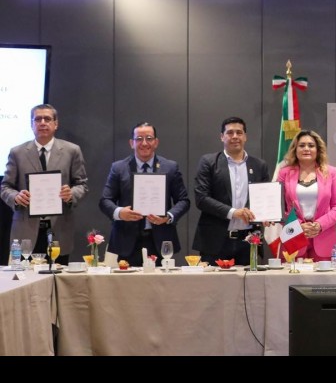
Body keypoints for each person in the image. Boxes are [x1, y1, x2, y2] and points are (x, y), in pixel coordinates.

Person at [0, 104, 88, 264]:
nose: (42, 123)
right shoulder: (17, 152)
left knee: (58, 277)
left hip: (59, 230)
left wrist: (71, 194)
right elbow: (5, 187)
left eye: (47, 119)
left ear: (56, 124)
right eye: (37, 119)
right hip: (25, 230)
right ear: (31, 124)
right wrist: (16, 197)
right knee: (25, 278)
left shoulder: (72, 150)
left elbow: (82, 185)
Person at [99, 122, 190, 266]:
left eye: (149, 138)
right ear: (132, 143)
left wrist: (168, 216)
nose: (144, 143)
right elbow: (105, 200)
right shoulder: (119, 168)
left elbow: (184, 201)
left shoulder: (170, 167)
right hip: (127, 240)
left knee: (162, 280)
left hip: (160, 240)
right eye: (139, 139)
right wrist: (120, 213)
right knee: (128, 281)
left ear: (156, 142)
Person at [192, 117, 270, 265]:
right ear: (222, 137)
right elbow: (201, 199)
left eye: (239, 133)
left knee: (250, 281)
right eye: (230, 133)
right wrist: (234, 212)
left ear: (245, 137)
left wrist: (266, 215)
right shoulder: (209, 162)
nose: (235, 136)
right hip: (215, 242)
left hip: (249, 242)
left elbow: (264, 199)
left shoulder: (259, 165)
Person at [275, 130, 336, 261]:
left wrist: (319, 225)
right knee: (291, 274)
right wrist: (298, 225)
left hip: (324, 236)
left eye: (311, 145)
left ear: (318, 150)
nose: (306, 149)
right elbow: (278, 207)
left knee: (326, 275)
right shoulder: (284, 173)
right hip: (294, 236)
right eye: (302, 145)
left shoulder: (331, 172)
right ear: (295, 149)